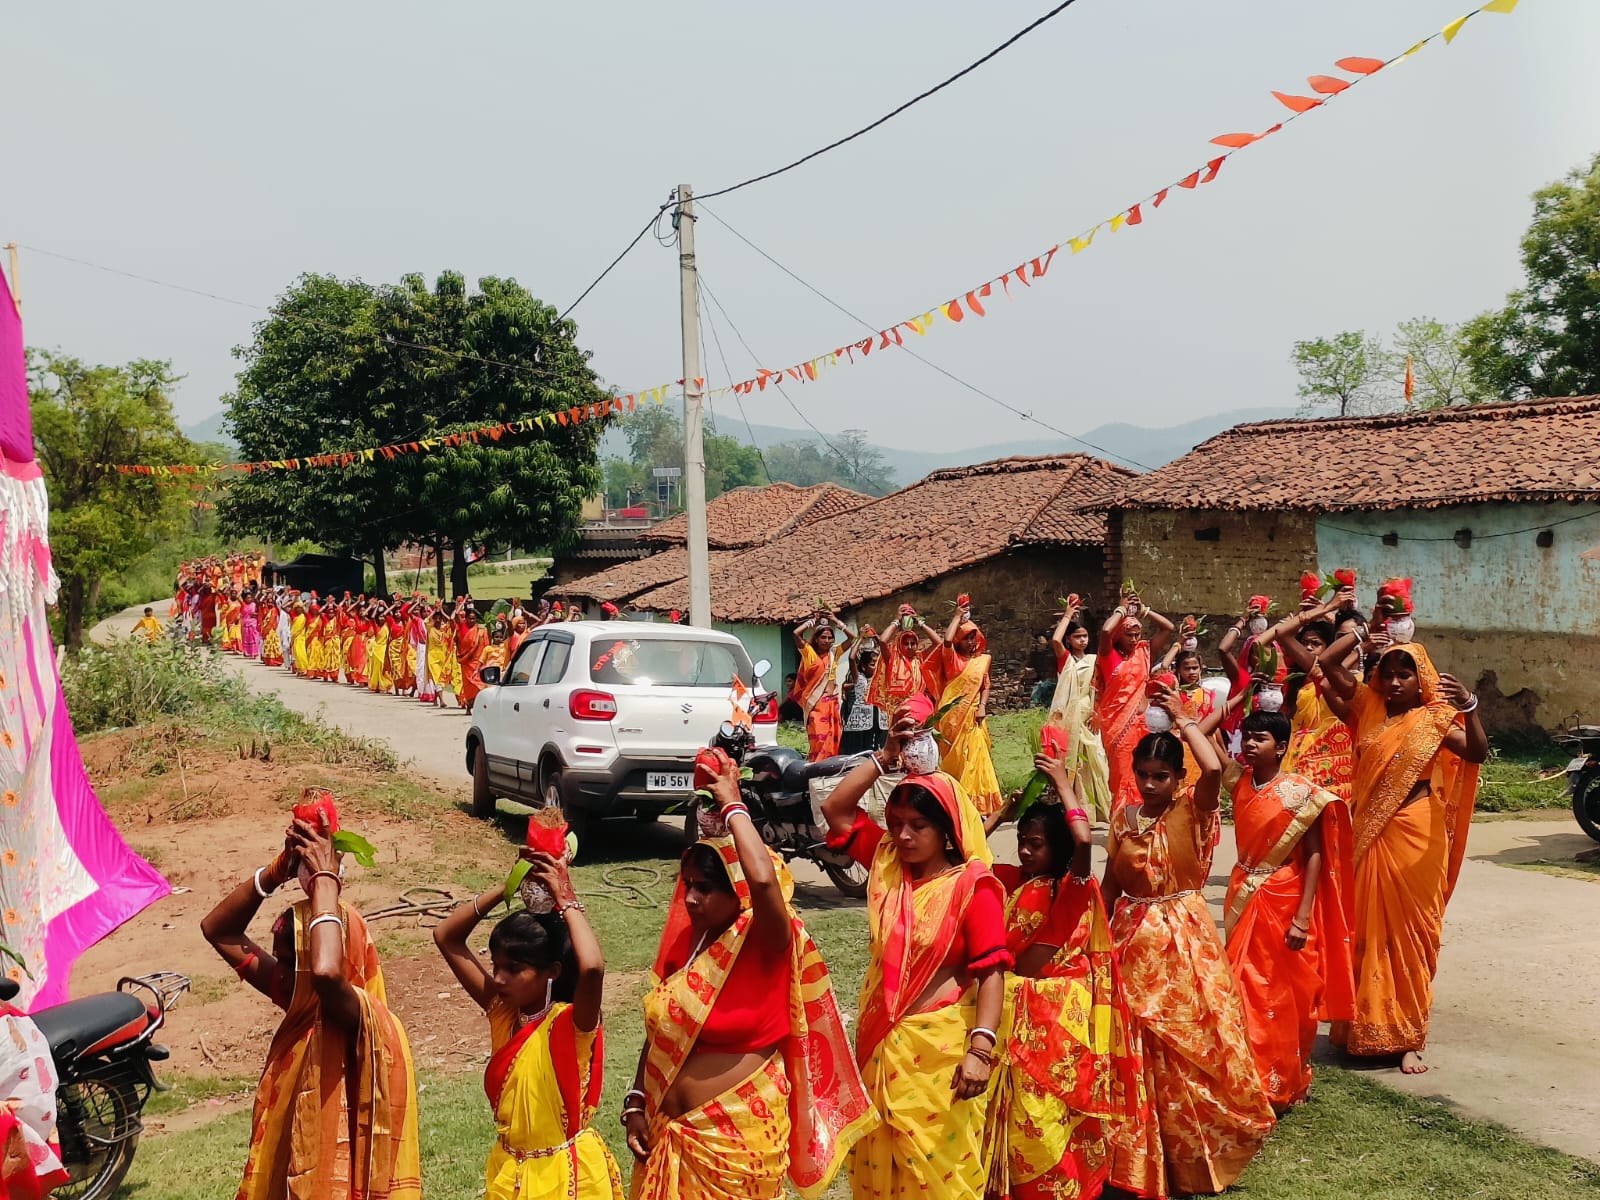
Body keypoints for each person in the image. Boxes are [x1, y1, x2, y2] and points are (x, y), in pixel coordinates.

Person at [626, 759, 871, 1200]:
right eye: (688, 885)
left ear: (736, 891)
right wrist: (636, 1100)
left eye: (705, 888)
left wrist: (734, 805)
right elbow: (664, 1027)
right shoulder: (690, 943)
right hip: (667, 1132)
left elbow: (762, 880)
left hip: (736, 1142)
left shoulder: (765, 938)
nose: (692, 898)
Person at [820, 707, 1010, 1200]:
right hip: (882, 1047)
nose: (903, 836)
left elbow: (992, 973)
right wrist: (883, 757)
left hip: (940, 1057)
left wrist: (981, 1052)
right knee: (880, 1170)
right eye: (897, 823)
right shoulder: (887, 865)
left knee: (940, 1178)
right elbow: (836, 812)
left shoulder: (973, 887)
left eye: (918, 826)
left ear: (947, 830)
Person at [200, 797, 421, 1199]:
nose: (279, 974)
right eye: (281, 962)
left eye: (290, 962)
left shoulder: (355, 1014)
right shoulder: (298, 1001)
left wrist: (324, 879)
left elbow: (325, 972)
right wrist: (275, 871)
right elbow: (218, 931)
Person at [1102, 691, 1275, 1197]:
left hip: (1183, 939)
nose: (1151, 785)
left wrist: (1185, 722)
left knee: (1190, 1041)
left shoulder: (1190, 811)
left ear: (1178, 779)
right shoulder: (1122, 819)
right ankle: (1138, 1151)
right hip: (1132, 941)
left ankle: (1195, 1151)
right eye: (1144, 775)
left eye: (1162, 776)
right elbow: (1111, 886)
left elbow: (1215, 772)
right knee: (1136, 1041)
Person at [1314, 639, 1487, 1074]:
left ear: (1420, 678)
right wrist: (1357, 638)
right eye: (1387, 673)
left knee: (1414, 932)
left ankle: (1411, 1036)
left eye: (1404, 674)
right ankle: (1357, 1027)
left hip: (1417, 827)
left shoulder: (1435, 719)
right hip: (1370, 829)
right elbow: (1326, 663)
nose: (1394, 682)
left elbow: (1476, 752)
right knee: (1366, 928)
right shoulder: (1366, 707)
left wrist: (1471, 707)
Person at [983, 763, 1142, 1200]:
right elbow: (967, 854)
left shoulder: (1071, 886)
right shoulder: (1011, 879)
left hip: (1054, 1011)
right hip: (1014, 1005)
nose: (1026, 851)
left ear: (1054, 847)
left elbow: (1084, 839)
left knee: (1049, 1107)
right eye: (1022, 842)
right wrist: (1001, 813)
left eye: (1036, 844)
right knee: (1016, 1109)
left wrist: (1062, 784)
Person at [433, 847, 623, 1199]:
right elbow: (446, 936)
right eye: (496, 966)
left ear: (552, 972)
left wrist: (566, 897)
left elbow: (592, 968)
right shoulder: (503, 1011)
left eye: (514, 969)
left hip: (566, 1178)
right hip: (510, 1174)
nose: (500, 978)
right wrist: (508, 886)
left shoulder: (572, 1024)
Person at [1225, 710, 1355, 1113]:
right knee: (1241, 985)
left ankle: (1283, 1082)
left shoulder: (1302, 793)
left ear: (1281, 747)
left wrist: (1302, 917)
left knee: (1283, 994)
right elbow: (1209, 756)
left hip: (1283, 896)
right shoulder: (1239, 781)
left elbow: (1315, 855)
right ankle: (1246, 1078)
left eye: (1259, 738)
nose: (1249, 744)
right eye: (1246, 736)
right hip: (1242, 891)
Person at [1263, 590, 1358, 800]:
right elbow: (1280, 635)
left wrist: (1331, 614)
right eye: (1306, 642)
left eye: (1316, 643)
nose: (1308, 647)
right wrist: (1323, 609)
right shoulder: (1313, 672)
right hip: (1304, 759)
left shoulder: (1359, 675)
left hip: (1342, 761)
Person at [1095, 586, 1173, 813]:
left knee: (1145, 770)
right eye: (1129, 634)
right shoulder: (1109, 656)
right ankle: (1122, 822)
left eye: (1137, 634)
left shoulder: (1144, 652)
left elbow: (1168, 628)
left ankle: (1143, 817)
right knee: (1122, 775)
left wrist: (1143, 611)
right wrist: (1121, 607)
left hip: (1141, 723)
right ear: (1120, 634)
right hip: (1116, 727)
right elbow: (1105, 632)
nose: (1134, 639)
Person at [926, 599, 1003, 815]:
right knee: (956, 759)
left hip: (974, 716)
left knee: (975, 758)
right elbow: (947, 641)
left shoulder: (983, 660)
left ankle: (976, 804)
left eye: (973, 637)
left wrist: (982, 707)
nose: (971, 642)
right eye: (967, 638)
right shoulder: (952, 660)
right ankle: (955, 799)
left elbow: (986, 685)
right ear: (959, 641)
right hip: (951, 718)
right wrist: (957, 616)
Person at [1045, 597, 1112, 823]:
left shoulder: (1094, 660)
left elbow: (1100, 689)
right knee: (1074, 761)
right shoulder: (1066, 660)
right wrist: (1067, 615)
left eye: (1084, 636)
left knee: (1096, 761)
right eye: (1077, 636)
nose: (1082, 640)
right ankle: (1076, 812)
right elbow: (1055, 640)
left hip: (1089, 715)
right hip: (1070, 717)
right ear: (1069, 639)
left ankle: (1096, 811)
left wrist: (1098, 713)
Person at [794, 610, 853, 761]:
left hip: (832, 703)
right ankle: (816, 767)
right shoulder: (809, 653)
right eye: (823, 637)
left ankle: (829, 768)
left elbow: (852, 637)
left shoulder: (835, 653)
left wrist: (835, 620)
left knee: (834, 737)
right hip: (816, 703)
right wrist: (813, 620)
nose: (827, 641)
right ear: (816, 638)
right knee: (819, 739)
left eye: (830, 638)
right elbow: (796, 633)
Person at [867, 606, 934, 715]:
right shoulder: (892, 659)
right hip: (896, 712)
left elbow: (939, 643)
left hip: (918, 709)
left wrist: (920, 623)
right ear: (899, 644)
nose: (909, 646)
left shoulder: (920, 658)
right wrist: (897, 621)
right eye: (905, 643)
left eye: (912, 644)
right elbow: (883, 641)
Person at [839, 636, 889, 755]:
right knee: (858, 753)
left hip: (879, 720)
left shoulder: (882, 677)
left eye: (877, 664)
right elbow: (852, 657)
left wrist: (875, 637)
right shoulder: (859, 678)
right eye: (872, 664)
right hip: (860, 722)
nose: (876, 667)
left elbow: (883, 649)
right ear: (863, 666)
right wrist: (861, 638)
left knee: (877, 751)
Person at [456, 605, 489, 711]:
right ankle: (469, 705)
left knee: (478, 683)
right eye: (469, 618)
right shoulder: (462, 628)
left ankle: (480, 704)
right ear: (466, 618)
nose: (472, 620)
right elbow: (455, 617)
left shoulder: (481, 631)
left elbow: (486, 646)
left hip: (478, 661)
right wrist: (460, 604)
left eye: (474, 618)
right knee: (468, 685)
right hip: (466, 662)